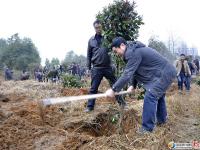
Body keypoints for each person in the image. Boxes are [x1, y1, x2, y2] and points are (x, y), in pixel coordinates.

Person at [105, 37, 176, 134]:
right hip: (163, 72)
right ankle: (162, 120)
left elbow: (127, 74)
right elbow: (135, 70)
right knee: (158, 96)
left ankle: (147, 129)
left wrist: (113, 89)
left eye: (115, 51)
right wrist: (133, 85)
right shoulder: (133, 51)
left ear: (122, 45)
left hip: (164, 73)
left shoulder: (134, 52)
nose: (116, 54)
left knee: (150, 96)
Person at [85, 20, 126, 112]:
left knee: (116, 85)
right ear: (94, 28)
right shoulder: (91, 40)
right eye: (96, 28)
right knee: (93, 88)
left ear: (102, 27)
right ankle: (90, 107)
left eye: (99, 27)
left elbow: (115, 48)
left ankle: (122, 104)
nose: (98, 29)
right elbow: (88, 55)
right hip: (96, 68)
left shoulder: (108, 38)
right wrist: (88, 68)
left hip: (108, 67)